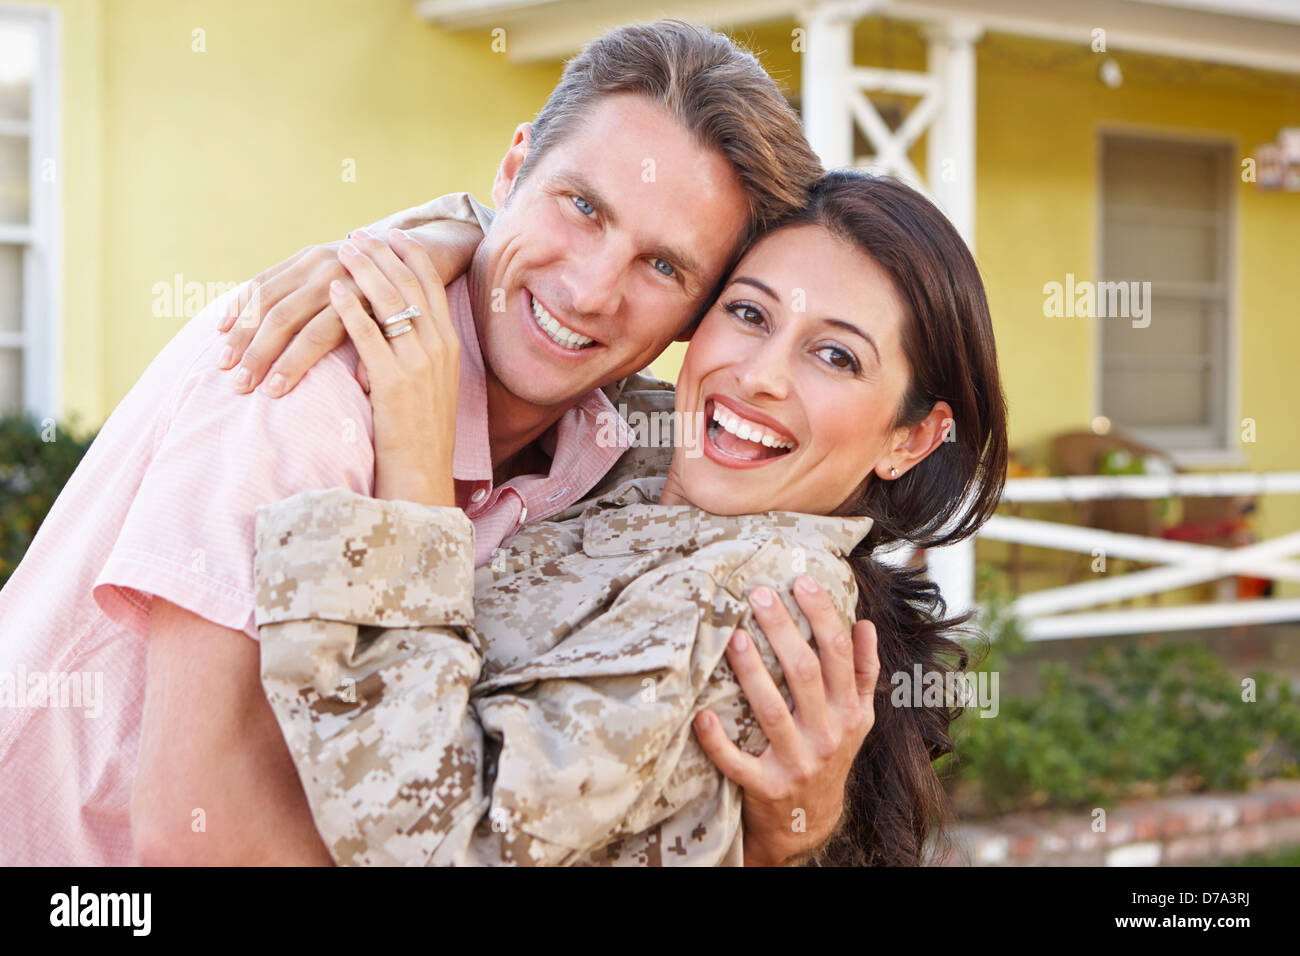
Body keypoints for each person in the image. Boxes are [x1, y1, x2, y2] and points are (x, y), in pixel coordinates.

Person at [0, 20, 869, 866]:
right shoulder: (306, 384)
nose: (591, 288)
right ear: (512, 165)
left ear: (697, 314)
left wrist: (790, 822)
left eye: (664, 267)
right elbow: (202, 837)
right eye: (581, 206)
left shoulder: (618, 449)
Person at [252, 171, 1009, 865]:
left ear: (910, 437)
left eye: (837, 357)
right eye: (747, 312)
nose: (758, 375)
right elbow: (565, 299)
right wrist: (420, 249)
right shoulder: (646, 446)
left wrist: (412, 480)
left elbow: (442, 846)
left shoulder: (762, 599)